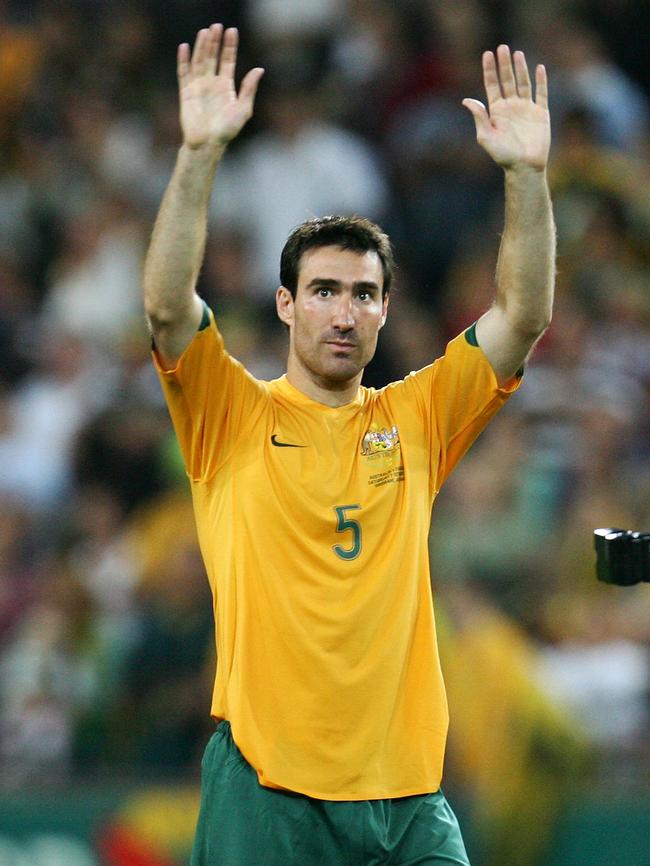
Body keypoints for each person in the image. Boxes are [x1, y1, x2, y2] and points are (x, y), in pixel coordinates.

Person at [143, 23, 554, 866]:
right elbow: (166, 308)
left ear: (385, 311)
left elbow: (522, 319)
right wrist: (198, 155)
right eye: (324, 290)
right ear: (287, 304)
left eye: (364, 294)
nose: (344, 312)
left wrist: (526, 174)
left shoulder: (417, 417)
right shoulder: (230, 414)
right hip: (269, 786)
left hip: (408, 796)